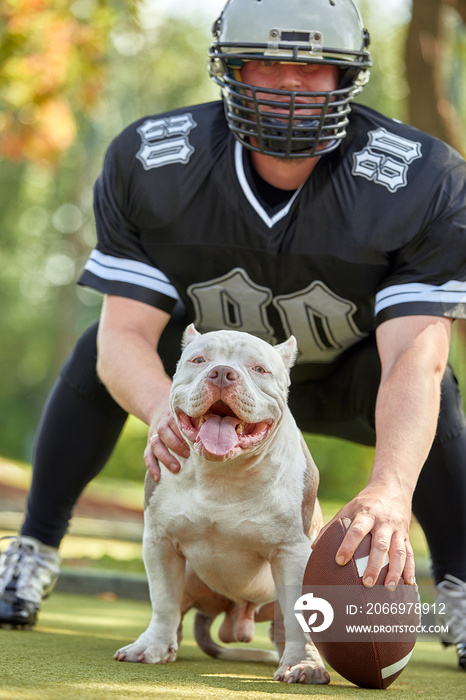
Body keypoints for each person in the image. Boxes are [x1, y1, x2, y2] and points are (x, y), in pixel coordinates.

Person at [1, 0, 465, 671]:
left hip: (347, 379)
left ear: (348, 76)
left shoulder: (419, 177)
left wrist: (390, 488)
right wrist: (166, 408)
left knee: (436, 384)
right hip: (210, 376)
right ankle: (35, 548)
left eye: (315, 68)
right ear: (231, 68)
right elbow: (126, 335)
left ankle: (457, 582)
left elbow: (413, 363)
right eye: (268, 64)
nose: (291, 86)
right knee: (97, 352)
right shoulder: (155, 160)